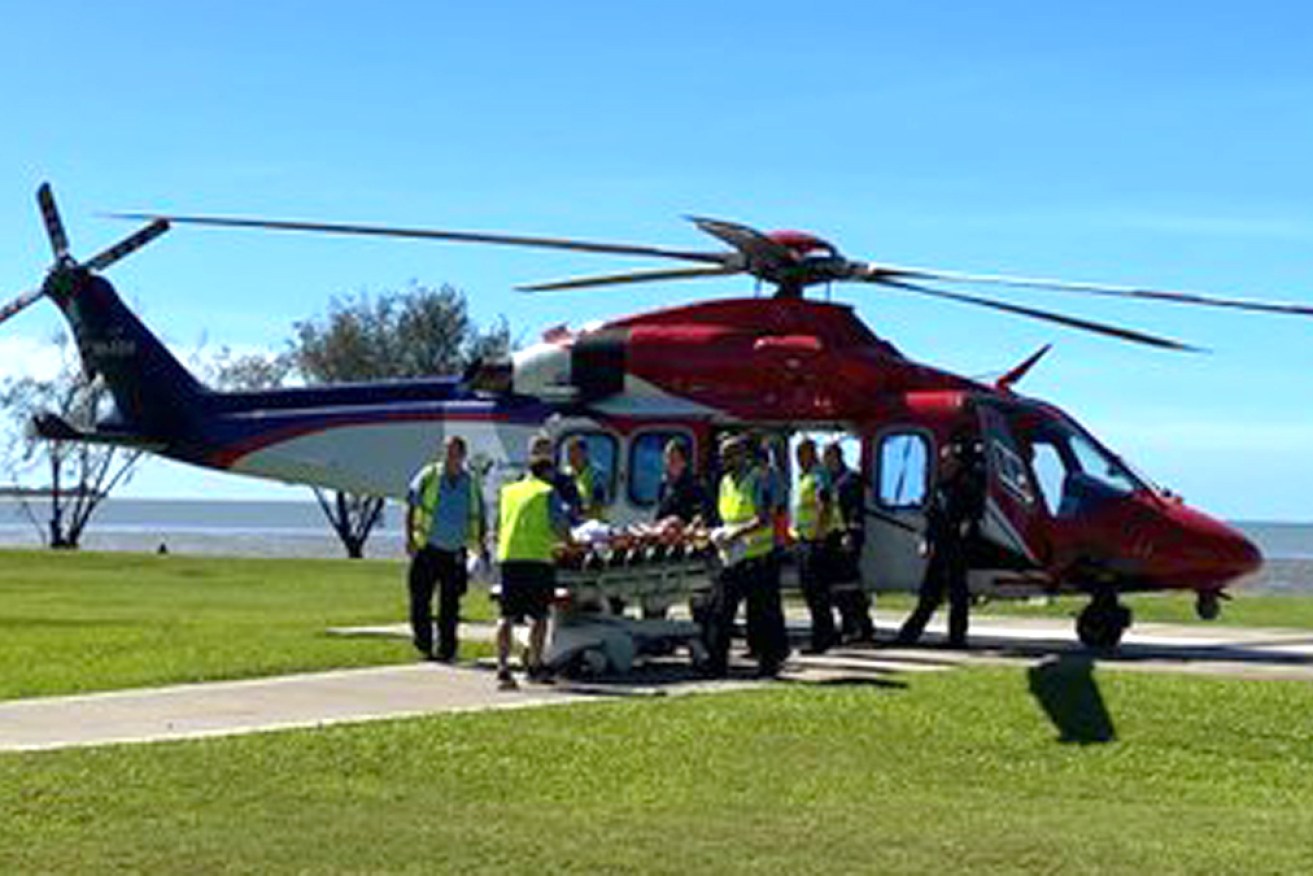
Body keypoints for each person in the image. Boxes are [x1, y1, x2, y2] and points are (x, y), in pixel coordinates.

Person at [704, 434, 788, 678]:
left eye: (729, 455)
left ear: (742, 455)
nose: (724, 460)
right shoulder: (725, 483)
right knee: (721, 611)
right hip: (732, 557)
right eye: (722, 456)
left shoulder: (759, 479)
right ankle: (717, 663)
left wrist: (737, 533)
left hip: (759, 557)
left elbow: (765, 519)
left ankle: (768, 664)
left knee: (763, 614)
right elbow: (725, 517)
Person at [896, 431, 987, 648]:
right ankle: (909, 634)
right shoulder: (938, 488)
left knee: (957, 592)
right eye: (943, 461)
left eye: (948, 461)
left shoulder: (966, 485)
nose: (944, 465)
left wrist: (967, 526)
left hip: (957, 544)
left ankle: (956, 637)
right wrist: (926, 539)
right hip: (940, 543)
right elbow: (932, 517)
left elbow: (974, 512)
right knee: (930, 592)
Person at [406, 435, 487, 662]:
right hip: (427, 548)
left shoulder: (470, 483)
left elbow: (479, 514)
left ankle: (447, 649)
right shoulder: (429, 475)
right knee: (420, 599)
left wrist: (480, 544)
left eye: (454, 453)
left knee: (450, 604)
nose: (450, 457)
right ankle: (424, 643)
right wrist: (410, 539)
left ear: (463, 456)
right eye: (446, 452)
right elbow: (411, 505)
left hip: (455, 552)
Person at [495, 453, 571, 689]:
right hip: (537, 559)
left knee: (506, 616)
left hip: (509, 557)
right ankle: (535, 665)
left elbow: (500, 524)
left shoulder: (509, 492)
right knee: (539, 616)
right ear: (547, 473)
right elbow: (559, 526)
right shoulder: (546, 493)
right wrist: (570, 543)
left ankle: (503, 667)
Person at [824, 441, 876, 642]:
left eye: (828, 457)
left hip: (847, 537)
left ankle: (861, 626)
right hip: (833, 536)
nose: (825, 461)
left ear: (836, 457)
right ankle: (848, 624)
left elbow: (855, 509)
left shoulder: (849, 480)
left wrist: (851, 534)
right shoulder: (831, 480)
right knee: (838, 586)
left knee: (849, 584)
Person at [793, 437, 838, 653]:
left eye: (801, 454)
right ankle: (824, 634)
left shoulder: (819, 475)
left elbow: (825, 504)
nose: (798, 460)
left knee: (816, 592)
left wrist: (819, 534)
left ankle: (822, 638)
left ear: (811, 453)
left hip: (816, 541)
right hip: (804, 538)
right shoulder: (806, 477)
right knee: (811, 591)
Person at [655, 438, 713, 526]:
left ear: (684, 462)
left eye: (673, 459)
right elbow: (660, 513)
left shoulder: (695, 485)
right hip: (667, 533)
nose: (668, 463)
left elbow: (703, 513)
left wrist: (684, 522)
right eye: (666, 458)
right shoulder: (664, 485)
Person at [529, 433, 583, 523]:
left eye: (547, 452)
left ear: (555, 455)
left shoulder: (566, 483)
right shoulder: (519, 483)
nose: (543, 457)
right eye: (537, 453)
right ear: (530, 456)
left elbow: (575, 512)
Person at [563, 436, 608, 521]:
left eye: (575, 452)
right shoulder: (566, 473)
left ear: (584, 453)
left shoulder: (597, 473)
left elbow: (598, 502)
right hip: (571, 521)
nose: (571, 456)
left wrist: (583, 516)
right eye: (569, 452)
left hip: (593, 523)